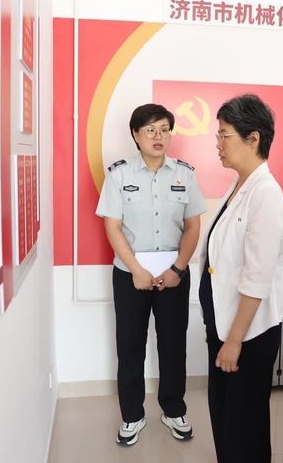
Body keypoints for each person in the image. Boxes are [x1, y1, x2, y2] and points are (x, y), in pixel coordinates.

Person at [95, 103, 206, 446]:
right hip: (130, 275)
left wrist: (178, 269)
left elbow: (192, 226)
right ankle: (132, 415)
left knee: (173, 346)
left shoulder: (184, 174)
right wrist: (136, 270)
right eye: (150, 130)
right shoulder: (119, 175)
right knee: (130, 347)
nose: (159, 136)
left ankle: (173, 410)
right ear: (135, 134)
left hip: (174, 275)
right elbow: (112, 227)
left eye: (164, 129)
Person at [196, 94, 283, 463]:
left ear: (253, 139)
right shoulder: (239, 186)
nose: (218, 144)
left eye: (224, 135)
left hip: (247, 335)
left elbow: (257, 276)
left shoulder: (265, 193)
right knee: (225, 417)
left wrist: (234, 341)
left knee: (243, 425)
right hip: (224, 327)